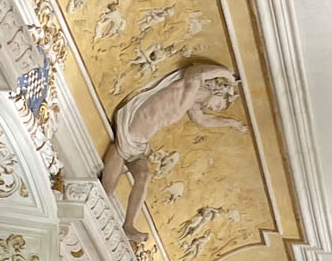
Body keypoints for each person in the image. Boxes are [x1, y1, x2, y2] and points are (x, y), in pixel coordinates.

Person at [101, 63, 246, 241]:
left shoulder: (193, 104)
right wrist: (228, 75)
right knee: (117, 162)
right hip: (133, 129)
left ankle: (128, 225)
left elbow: (203, 121)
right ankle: (103, 199)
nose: (215, 109)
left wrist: (230, 122)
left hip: (142, 141)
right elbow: (198, 72)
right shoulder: (191, 83)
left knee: (144, 175)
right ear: (218, 91)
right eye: (219, 105)